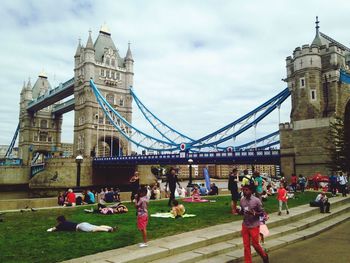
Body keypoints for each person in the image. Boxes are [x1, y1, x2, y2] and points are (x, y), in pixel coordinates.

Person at [239, 184, 269, 263]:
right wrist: (239, 211)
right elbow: (242, 211)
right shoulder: (242, 200)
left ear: (251, 191)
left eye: (246, 190)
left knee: (255, 244)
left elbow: (262, 213)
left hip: (254, 225)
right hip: (245, 225)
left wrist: (254, 213)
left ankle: (264, 256)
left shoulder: (256, 200)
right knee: (246, 246)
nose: (245, 191)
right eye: (244, 190)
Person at [47, 215, 115, 232]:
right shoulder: (66, 222)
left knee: (94, 229)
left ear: (60, 221)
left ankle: (108, 230)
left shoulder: (61, 225)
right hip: (82, 224)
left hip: (80, 227)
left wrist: (49, 229)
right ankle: (110, 227)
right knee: (97, 226)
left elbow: (53, 229)